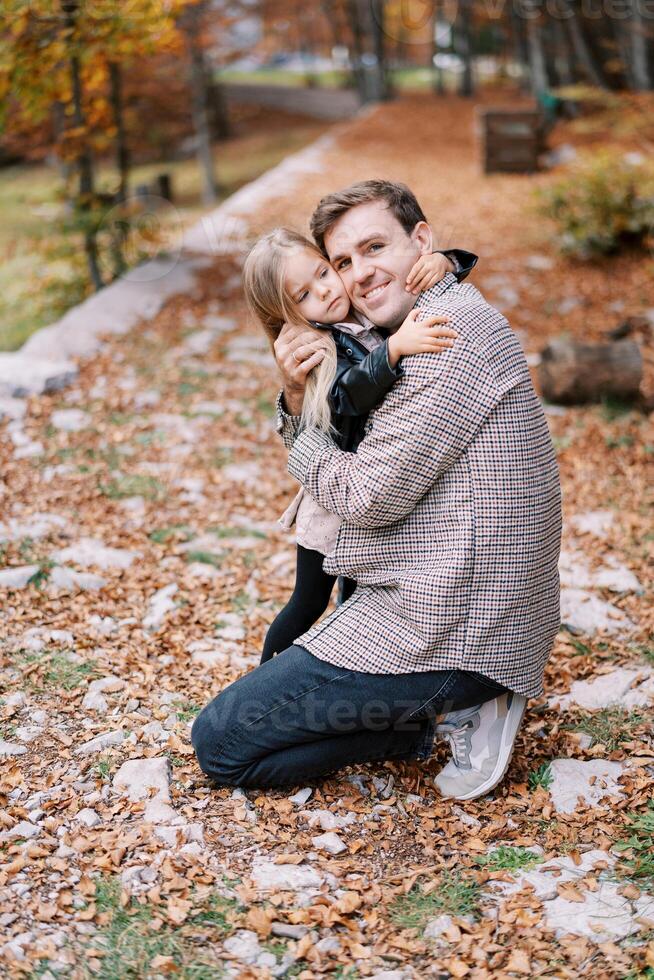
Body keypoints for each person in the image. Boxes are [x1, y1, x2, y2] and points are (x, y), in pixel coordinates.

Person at [192, 180, 562, 801]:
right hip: (434, 597)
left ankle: (441, 716)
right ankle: (412, 716)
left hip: (451, 631)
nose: (355, 277)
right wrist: (291, 393)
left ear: (421, 241)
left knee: (221, 744)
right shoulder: (424, 316)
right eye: (341, 262)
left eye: (373, 248)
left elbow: (365, 497)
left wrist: (294, 436)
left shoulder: (444, 338)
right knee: (288, 650)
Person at [242, 227, 477, 664]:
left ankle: (356, 665)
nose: (326, 292)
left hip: (371, 484)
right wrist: (393, 353)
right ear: (288, 314)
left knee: (359, 599)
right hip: (335, 499)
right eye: (304, 295)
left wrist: (446, 261)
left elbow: (422, 280)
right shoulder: (318, 345)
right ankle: (267, 673)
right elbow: (345, 395)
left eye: (323, 274)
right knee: (308, 602)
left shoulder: (365, 313)